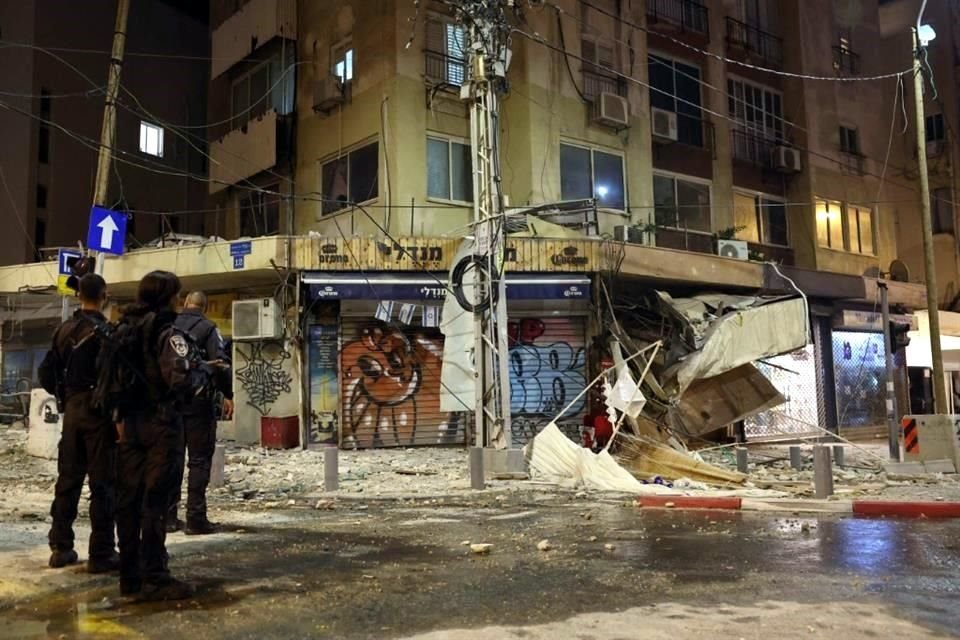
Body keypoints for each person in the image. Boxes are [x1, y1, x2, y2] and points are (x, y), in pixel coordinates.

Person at [107, 271, 213, 601]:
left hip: (129, 426)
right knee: (155, 500)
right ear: (169, 297)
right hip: (161, 424)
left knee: (128, 501)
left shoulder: (122, 331)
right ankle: (155, 574)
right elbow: (182, 378)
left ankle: (130, 575)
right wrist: (204, 379)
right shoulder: (168, 334)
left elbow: (110, 381)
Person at [40, 274, 119, 572]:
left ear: (78, 295)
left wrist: (65, 395)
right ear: (104, 295)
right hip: (99, 415)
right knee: (103, 485)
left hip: (72, 412)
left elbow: (46, 373)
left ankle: (60, 547)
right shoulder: (107, 333)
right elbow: (115, 380)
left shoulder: (63, 330)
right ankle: (101, 553)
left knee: (68, 481)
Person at [168, 291, 234, 535]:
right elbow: (222, 365)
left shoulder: (169, 327)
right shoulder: (208, 328)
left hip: (170, 404)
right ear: (204, 308)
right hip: (198, 402)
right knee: (198, 460)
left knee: (173, 459)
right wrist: (229, 394)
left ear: (185, 303)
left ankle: (168, 518)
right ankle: (196, 518)